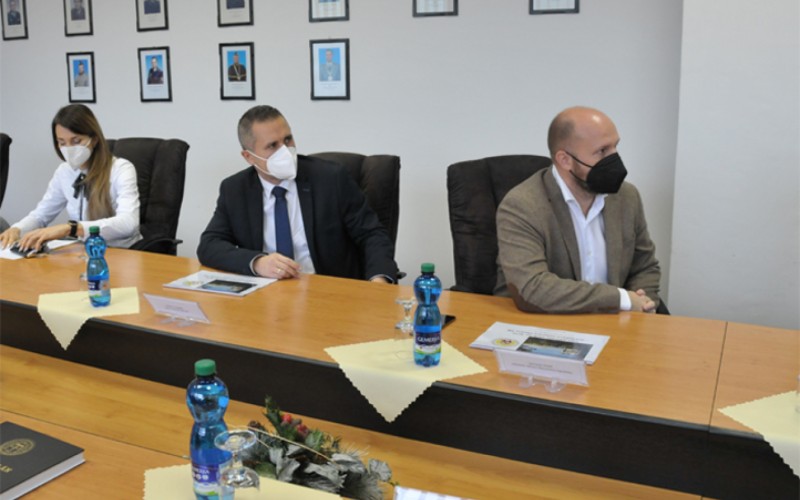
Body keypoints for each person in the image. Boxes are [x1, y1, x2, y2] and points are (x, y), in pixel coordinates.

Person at [197, 105, 398, 283]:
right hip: (267, 294)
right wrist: (257, 263)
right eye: (272, 146)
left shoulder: (331, 178)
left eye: (288, 139)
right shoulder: (235, 189)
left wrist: (379, 281)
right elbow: (209, 245)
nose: (285, 151)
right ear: (249, 157)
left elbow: (372, 234)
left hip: (328, 291)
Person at [495, 106, 662, 314]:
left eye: (615, 147)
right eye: (602, 151)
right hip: (543, 321)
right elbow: (533, 288)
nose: (615, 160)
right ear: (565, 160)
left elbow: (645, 267)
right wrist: (621, 299)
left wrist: (643, 303)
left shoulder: (626, 197)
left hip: (614, 323)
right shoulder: (522, 205)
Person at [0, 104, 141, 252]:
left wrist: (72, 228)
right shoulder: (64, 171)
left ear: (94, 139)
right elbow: (41, 215)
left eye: (76, 141)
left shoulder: (121, 169)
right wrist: (17, 229)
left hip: (122, 250)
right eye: (62, 142)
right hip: (83, 251)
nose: (68, 148)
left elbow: (129, 223)